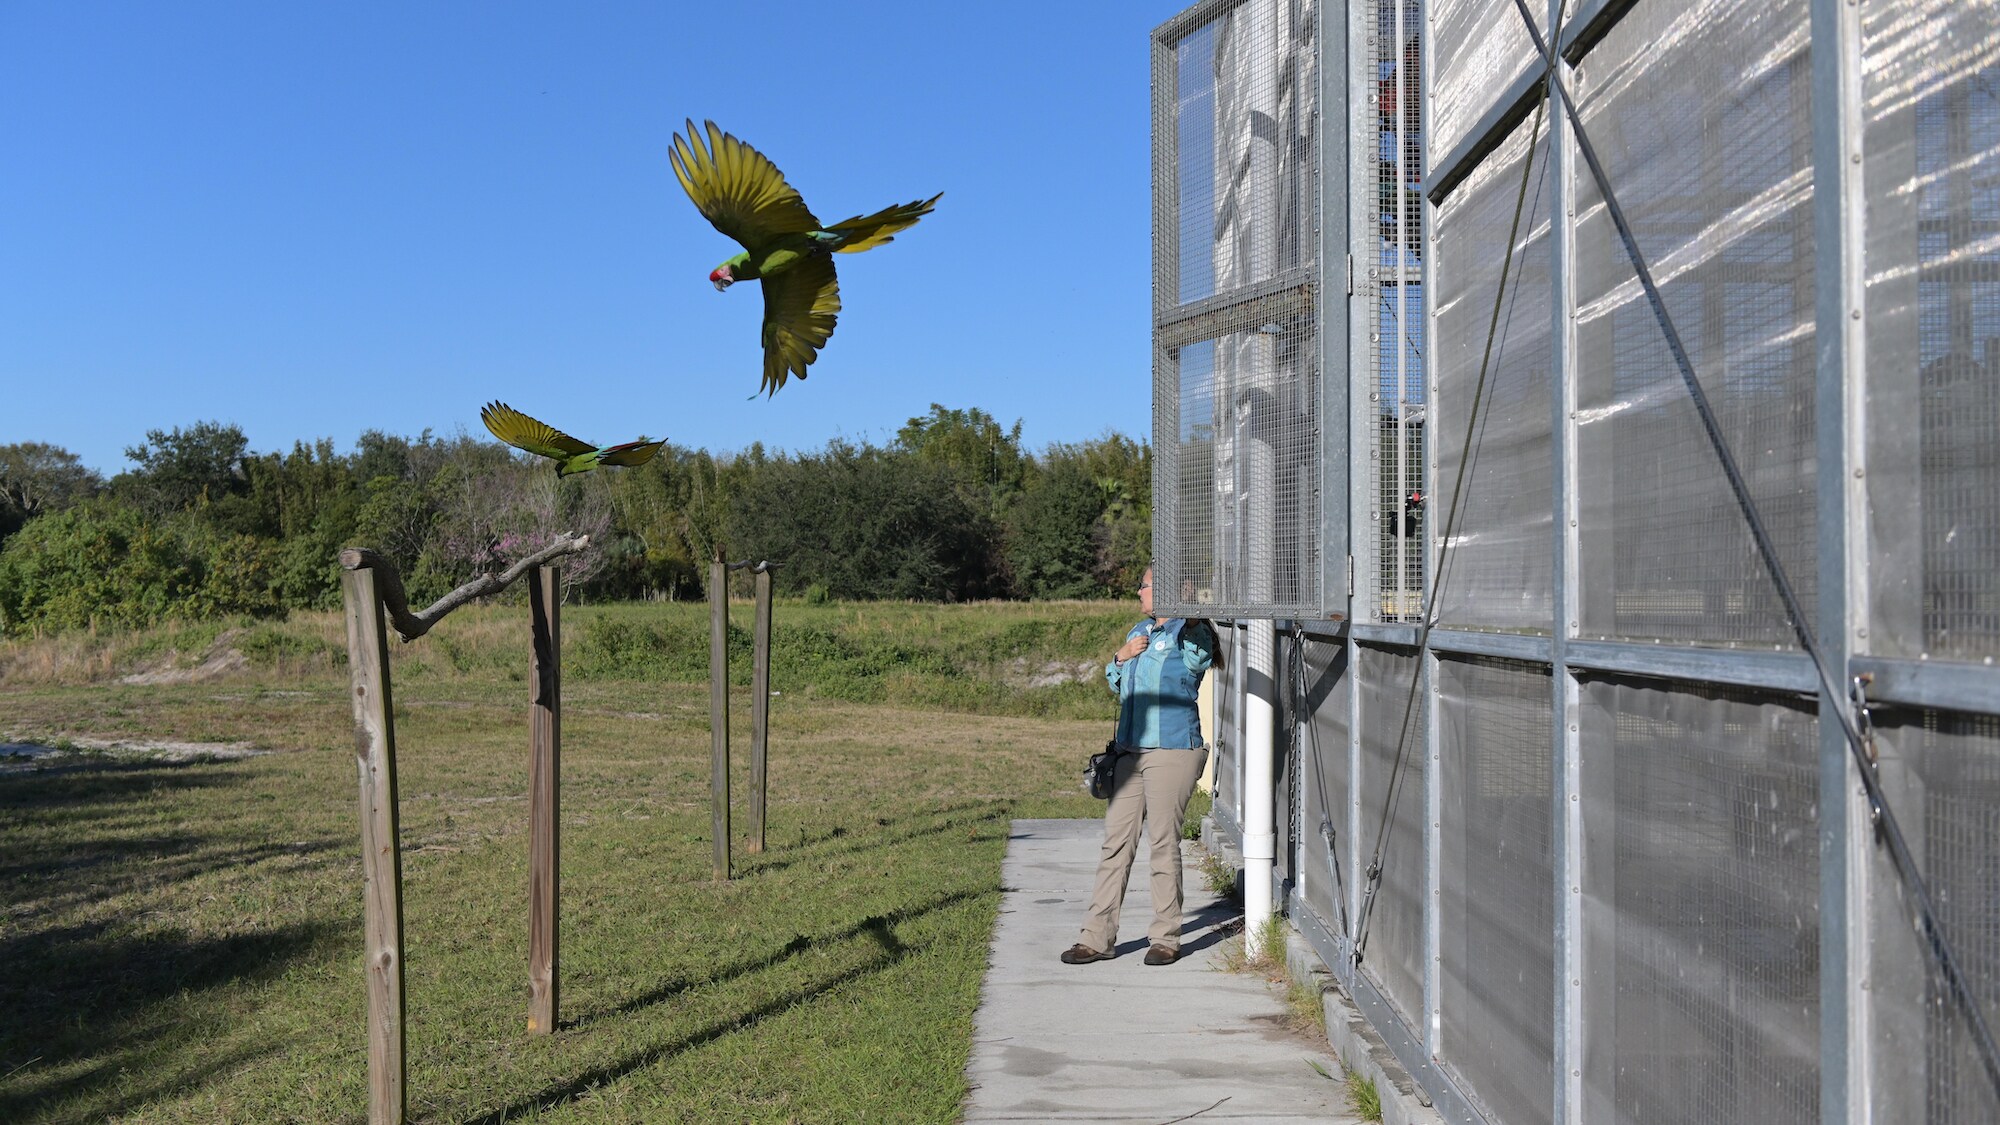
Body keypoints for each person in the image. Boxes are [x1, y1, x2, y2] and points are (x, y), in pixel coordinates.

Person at [1061, 567, 1220, 967]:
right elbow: (1117, 682)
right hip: (1131, 752)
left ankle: (1166, 938)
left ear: (1164, 591)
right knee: (1115, 843)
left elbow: (1200, 657)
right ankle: (1096, 938)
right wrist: (1121, 656)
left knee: (1163, 842)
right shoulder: (1140, 630)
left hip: (1171, 750)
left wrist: (1194, 615)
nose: (1138, 591)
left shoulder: (1189, 631)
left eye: (1145, 586)